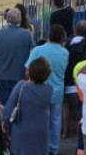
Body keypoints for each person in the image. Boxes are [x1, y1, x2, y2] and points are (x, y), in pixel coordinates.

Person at [25, 24, 68, 155]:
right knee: (55, 122)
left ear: (49, 35)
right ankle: (53, 149)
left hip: (38, 91)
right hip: (57, 92)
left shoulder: (38, 50)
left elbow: (28, 71)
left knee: (39, 121)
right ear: (62, 38)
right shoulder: (65, 52)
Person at [2, 56, 53, 155]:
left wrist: (5, 120)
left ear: (30, 72)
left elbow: (8, 108)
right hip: (41, 131)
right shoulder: (49, 89)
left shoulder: (21, 86)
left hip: (22, 130)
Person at [0, 8, 34, 105]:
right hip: (20, 75)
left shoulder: (0, 33)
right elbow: (33, 51)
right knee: (19, 105)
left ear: (7, 20)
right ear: (20, 21)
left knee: (4, 105)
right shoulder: (27, 34)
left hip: (3, 75)